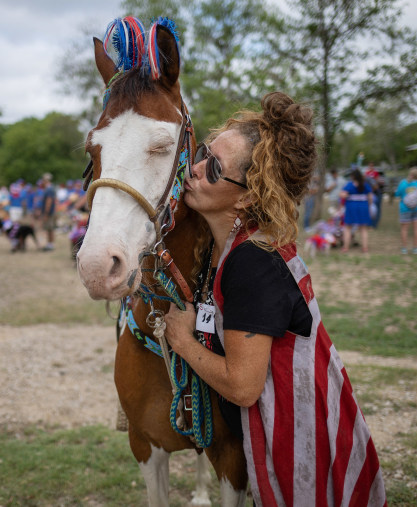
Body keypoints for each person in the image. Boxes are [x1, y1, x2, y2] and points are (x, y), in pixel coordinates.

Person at [164, 92, 386, 506]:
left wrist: (182, 341)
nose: (193, 170)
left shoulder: (252, 262)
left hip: (297, 435)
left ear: (247, 197)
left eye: (213, 168)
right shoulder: (227, 246)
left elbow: (244, 386)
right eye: (201, 154)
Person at [339, 169, 373, 253]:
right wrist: (368, 206)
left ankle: (346, 247)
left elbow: (342, 195)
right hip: (363, 206)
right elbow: (370, 197)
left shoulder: (350, 184)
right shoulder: (365, 184)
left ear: (352, 176)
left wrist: (344, 195)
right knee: (363, 228)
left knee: (347, 227)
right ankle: (365, 248)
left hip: (352, 207)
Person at [395, 167, 417, 254]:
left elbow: (397, 194)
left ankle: (404, 248)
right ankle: (415, 248)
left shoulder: (403, 183)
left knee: (404, 229)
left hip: (405, 208)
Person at [36, 173, 56, 251]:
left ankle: (50, 244)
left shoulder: (49, 189)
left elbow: (49, 201)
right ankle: (49, 243)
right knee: (49, 229)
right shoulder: (50, 188)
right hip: (50, 212)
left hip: (49, 213)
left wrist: (46, 213)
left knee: (49, 228)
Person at [364, 162, 383, 228]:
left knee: (377, 208)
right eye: (370, 165)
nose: (371, 167)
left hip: (376, 192)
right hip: (370, 193)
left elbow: (377, 183)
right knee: (370, 209)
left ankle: (374, 224)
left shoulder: (376, 173)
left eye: (372, 165)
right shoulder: (366, 173)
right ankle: (369, 223)